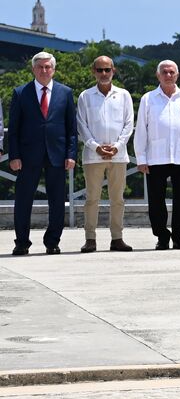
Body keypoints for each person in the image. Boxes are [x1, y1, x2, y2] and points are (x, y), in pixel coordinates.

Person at [5, 51, 77, 255]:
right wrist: (14, 155)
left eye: (48, 67)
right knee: (23, 200)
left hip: (57, 154)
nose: (44, 70)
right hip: (27, 156)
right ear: (33, 69)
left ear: (53, 69)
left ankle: (52, 241)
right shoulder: (21, 92)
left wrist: (71, 154)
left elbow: (71, 128)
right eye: (40, 67)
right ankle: (21, 242)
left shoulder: (65, 92)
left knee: (57, 201)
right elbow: (14, 128)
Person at [135, 61, 180, 250]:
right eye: (164, 72)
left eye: (172, 72)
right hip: (156, 156)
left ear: (177, 75)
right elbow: (141, 130)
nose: (168, 75)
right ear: (158, 76)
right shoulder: (148, 99)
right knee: (156, 201)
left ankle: (179, 237)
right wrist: (141, 158)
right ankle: (162, 237)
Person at [75, 55, 135, 253]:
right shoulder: (85, 96)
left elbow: (128, 123)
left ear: (113, 71)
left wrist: (117, 146)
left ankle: (117, 238)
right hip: (93, 156)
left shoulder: (124, 95)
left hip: (118, 155)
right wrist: (96, 146)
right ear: (93, 71)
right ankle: (90, 238)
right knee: (92, 198)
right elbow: (81, 125)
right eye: (99, 70)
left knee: (117, 199)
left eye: (107, 70)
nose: (103, 74)